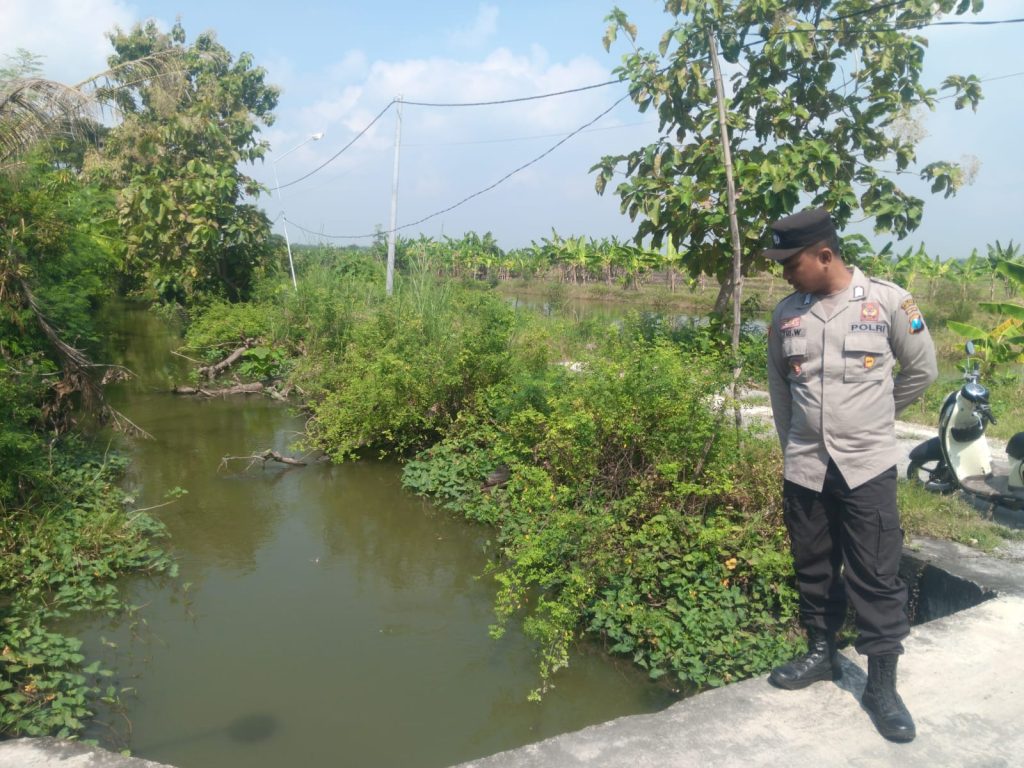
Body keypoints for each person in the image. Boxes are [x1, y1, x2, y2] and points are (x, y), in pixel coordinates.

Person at [763, 207, 938, 743]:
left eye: (790, 263)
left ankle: (882, 686)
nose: (784, 274)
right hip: (807, 468)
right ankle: (822, 654)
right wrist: (793, 447)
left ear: (824, 255)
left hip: (867, 467)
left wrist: (876, 418)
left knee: (876, 576)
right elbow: (780, 388)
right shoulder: (787, 314)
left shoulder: (888, 302)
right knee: (813, 567)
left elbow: (922, 370)